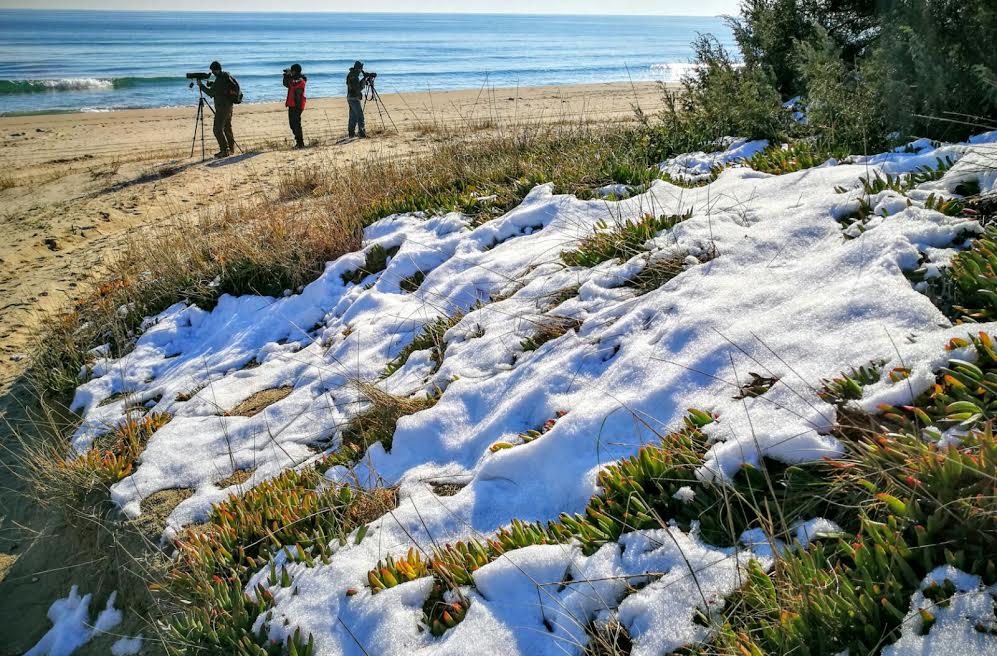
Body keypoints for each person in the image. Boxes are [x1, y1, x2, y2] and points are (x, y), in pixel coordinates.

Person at [197, 61, 237, 158]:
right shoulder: (226, 76)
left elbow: (211, 93)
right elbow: (221, 88)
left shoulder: (220, 80)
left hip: (222, 108)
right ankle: (231, 149)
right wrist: (212, 84)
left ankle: (224, 150)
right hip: (229, 106)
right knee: (227, 128)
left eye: (213, 71)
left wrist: (201, 85)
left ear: (216, 69)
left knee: (217, 130)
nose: (212, 73)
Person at [283, 63, 307, 148]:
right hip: (291, 104)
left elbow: (293, 84)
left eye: (292, 71)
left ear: (295, 71)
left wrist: (289, 76)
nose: (291, 72)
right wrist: (286, 76)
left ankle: (300, 143)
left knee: (296, 124)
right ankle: (299, 142)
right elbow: (286, 84)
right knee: (292, 124)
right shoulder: (293, 78)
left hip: (297, 104)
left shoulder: (301, 79)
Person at [346, 60, 366, 139]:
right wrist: (364, 81)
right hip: (354, 98)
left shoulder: (351, 74)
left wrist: (363, 80)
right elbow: (357, 88)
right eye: (361, 68)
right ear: (359, 68)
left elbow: (354, 86)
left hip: (350, 97)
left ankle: (351, 134)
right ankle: (362, 133)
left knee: (353, 116)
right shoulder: (354, 76)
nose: (361, 70)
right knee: (360, 116)